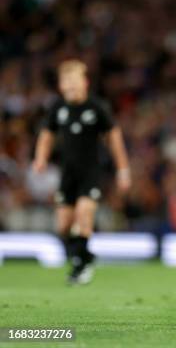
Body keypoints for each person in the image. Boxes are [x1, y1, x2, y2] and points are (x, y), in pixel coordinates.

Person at [33, 59, 131, 284]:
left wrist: (123, 169)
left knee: (84, 213)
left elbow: (114, 137)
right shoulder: (58, 108)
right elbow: (47, 134)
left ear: (84, 83)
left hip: (91, 172)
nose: (70, 86)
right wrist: (40, 158)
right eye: (66, 81)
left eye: (74, 81)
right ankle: (85, 256)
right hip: (67, 174)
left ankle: (79, 267)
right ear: (60, 85)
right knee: (63, 225)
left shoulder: (96, 107)